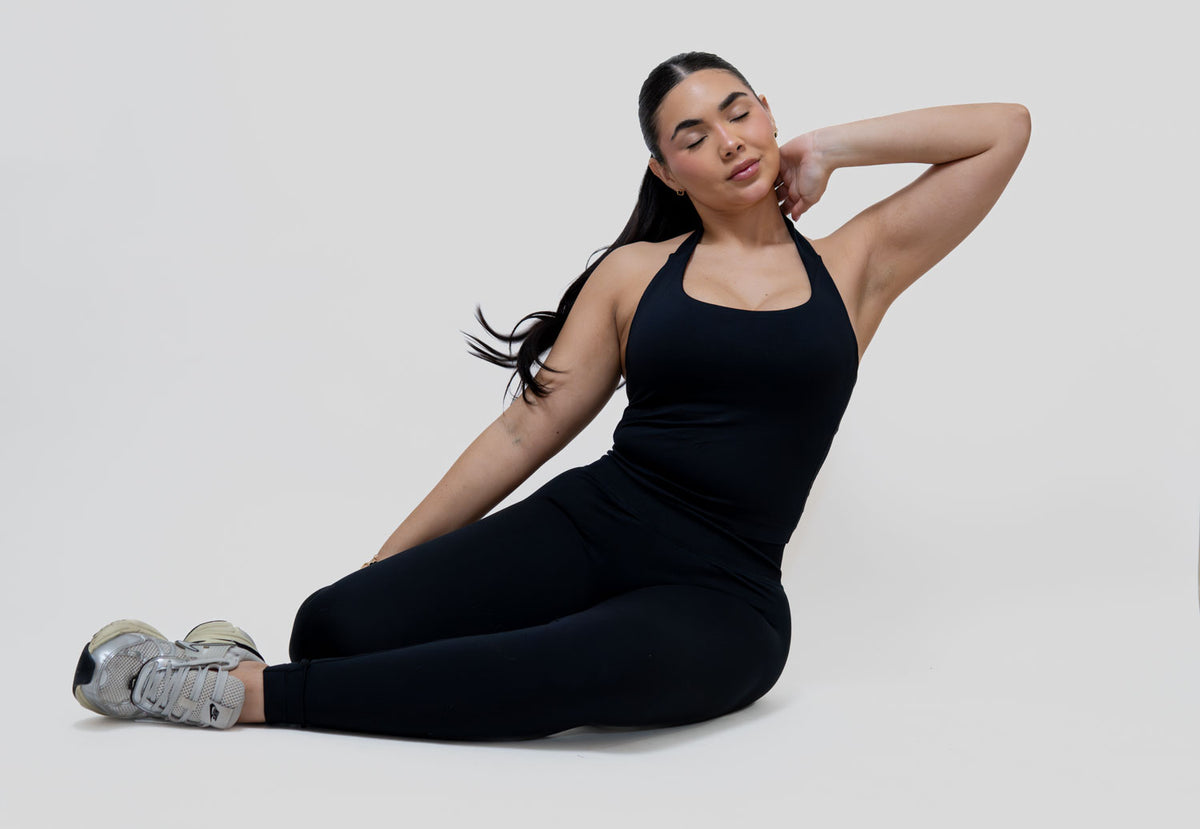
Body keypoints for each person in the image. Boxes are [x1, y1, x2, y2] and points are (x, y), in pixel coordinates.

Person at [72, 52, 1031, 739]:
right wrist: (383, 571)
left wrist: (828, 148)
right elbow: (526, 430)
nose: (729, 142)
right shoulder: (635, 273)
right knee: (334, 625)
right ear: (666, 170)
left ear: (769, 114)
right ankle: (283, 660)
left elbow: (1003, 130)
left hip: (723, 594)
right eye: (693, 136)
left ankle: (235, 695)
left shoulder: (855, 267)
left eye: (740, 112)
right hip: (594, 523)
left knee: (568, 667)